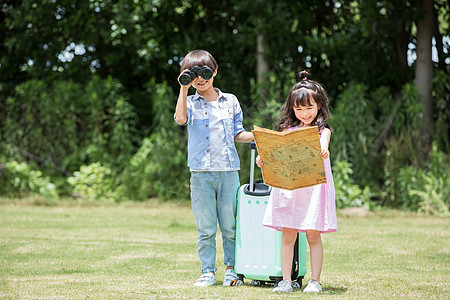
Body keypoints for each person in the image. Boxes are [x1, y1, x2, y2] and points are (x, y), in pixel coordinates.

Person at [174, 49, 254, 287]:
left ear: (215, 72)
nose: (201, 78)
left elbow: (238, 134)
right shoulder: (188, 101)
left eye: (205, 72)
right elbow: (180, 119)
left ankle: (232, 269)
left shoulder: (230, 100)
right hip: (200, 174)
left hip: (228, 172)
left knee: (230, 225)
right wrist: (183, 88)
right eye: (194, 74)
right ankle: (208, 271)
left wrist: (259, 137)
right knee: (206, 228)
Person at [256, 70, 337, 293]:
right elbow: (275, 156)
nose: (304, 113)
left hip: (312, 188)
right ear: (292, 108)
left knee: (313, 234)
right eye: (299, 109)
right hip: (290, 188)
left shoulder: (323, 130)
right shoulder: (285, 130)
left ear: (319, 106)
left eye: (309, 108)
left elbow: (324, 145)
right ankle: (285, 280)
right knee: (288, 234)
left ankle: (315, 281)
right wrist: (263, 159)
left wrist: (323, 150)